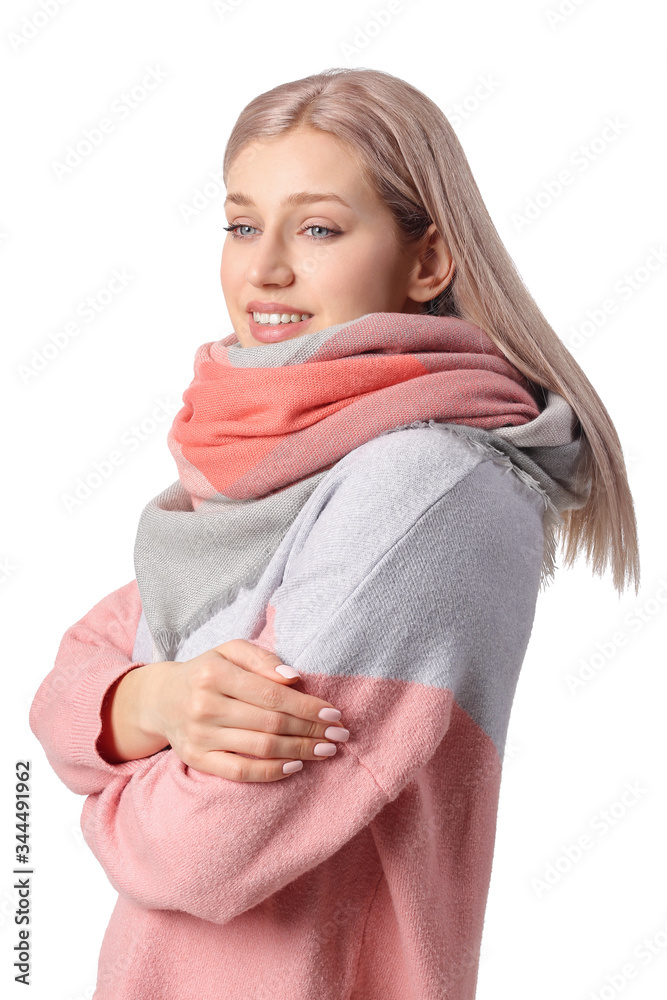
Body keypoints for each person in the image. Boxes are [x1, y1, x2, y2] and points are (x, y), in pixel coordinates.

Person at [29, 67, 639, 1000]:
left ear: (427, 262)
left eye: (316, 228)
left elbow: (206, 853)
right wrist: (150, 702)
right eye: (241, 224)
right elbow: (70, 679)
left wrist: (102, 792)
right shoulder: (270, 473)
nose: (263, 269)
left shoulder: (429, 487)